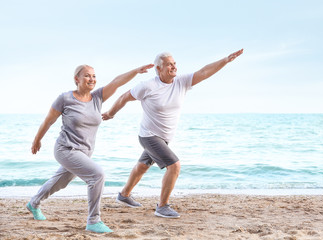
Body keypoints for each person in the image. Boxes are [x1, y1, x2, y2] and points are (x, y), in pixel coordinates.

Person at [102, 49, 244, 218]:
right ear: (158, 69)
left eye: (174, 63)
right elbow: (124, 97)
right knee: (174, 166)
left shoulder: (181, 82)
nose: (173, 67)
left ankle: (124, 196)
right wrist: (111, 113)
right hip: (148, 135)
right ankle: (162, 206)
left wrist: (225, 60)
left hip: (164, 137)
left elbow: (205, 72)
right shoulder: (148, 86)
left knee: (142, 166)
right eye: (169, 64)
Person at [27, 63, 154, 233]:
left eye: (94, 76)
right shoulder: (65, 99)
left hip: (84, 152)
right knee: (97, 175)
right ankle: (93, 220)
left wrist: (135, 71)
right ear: (76, 79)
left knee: (60, 181)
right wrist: (37, 140)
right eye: (87, 75)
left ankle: (33, 202)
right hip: (66, 149)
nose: (92, 79)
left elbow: (116, 82)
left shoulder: (97, 98)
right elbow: (48, 121)